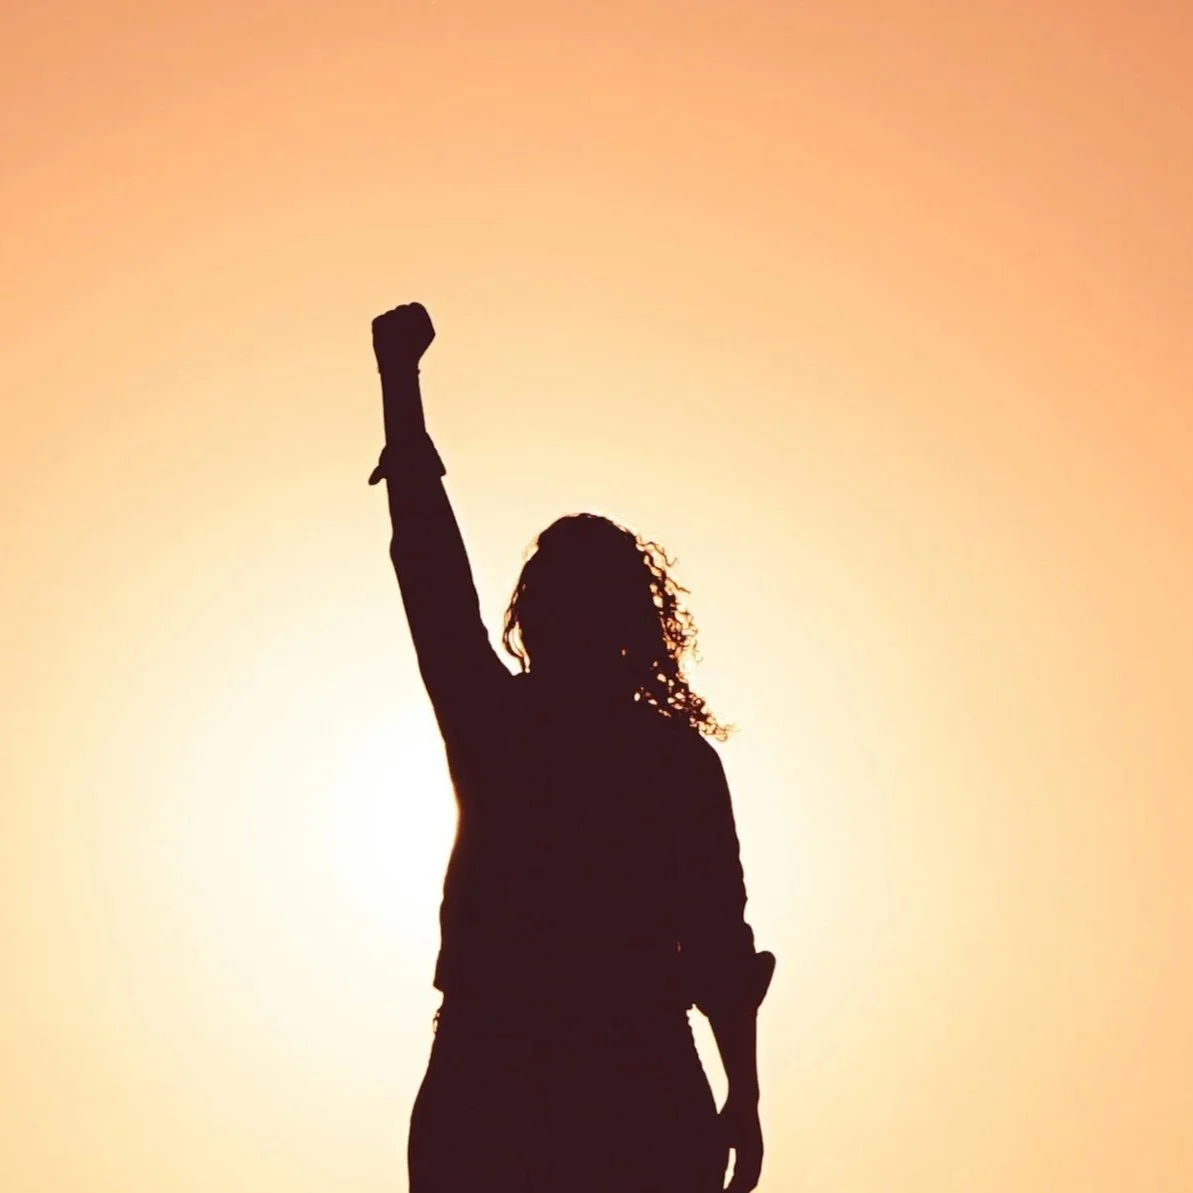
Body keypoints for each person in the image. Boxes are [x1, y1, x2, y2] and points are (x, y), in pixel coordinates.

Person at [367, 301, 776, 1193]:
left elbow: (428, 568)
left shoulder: (506, 726)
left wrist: (400, 385)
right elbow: (718, 948)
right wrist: (742, 1093)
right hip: (577, 1077)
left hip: (532, 1078)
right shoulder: (661, 759)